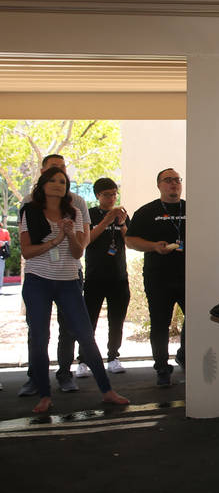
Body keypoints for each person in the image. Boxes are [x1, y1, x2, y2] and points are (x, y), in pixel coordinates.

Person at [18, 167, 129, 413]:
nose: (58, 184)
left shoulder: (76, 212)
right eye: (53, 180)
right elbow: (27, 252)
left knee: (85, 335)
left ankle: (107, 390)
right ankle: (45, 395)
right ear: (43, 185)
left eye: (62, 181)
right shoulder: (31, 212)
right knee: (39, 337)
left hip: (69, 281)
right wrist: (55, 241)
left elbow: (79, 251)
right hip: (38, 281)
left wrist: (69, 235)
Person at [19, 153, 90, 396]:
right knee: (37, 330)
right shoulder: (29, 202)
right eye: (53, 170)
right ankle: (35, 378)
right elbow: (27, 243)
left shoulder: (77, 202)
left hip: (70, 274)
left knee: (68, 327)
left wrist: (74, 247)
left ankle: (64, 374)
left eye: (62, 171)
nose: (59, 178)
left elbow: (84, 237)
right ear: (43, 172)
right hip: (40, 275)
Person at [125, 168, 186, 387]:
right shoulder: (147, 211)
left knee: (198, 320)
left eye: (177, 180)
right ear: (159, 185)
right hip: (159, 277)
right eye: (168, 180)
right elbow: (130, 240)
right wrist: (153, 246)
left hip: (189, 277)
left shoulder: (191, 207)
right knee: (160, 324)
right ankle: (162, 368)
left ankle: (186, 357)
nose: (174, 184)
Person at [76, 178, 129, 377]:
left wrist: (122, 224)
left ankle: (113, 357)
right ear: (97, 196)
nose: (112, 198)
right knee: (89, 320)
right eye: (107, 194)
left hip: (119, 277)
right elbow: (86, 241)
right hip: (95, 277)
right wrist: (105, 221)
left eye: (114, 194)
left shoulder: (122, 214)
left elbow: (130, 241)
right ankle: (83, 359)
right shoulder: (89, 214)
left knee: (117, 320)